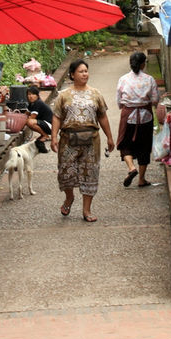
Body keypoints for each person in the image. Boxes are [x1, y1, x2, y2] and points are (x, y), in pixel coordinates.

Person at [50, 59, 114, 223]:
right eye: (81, 71)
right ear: (72, 74)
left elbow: (102, 116)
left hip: (91, 140)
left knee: (90, 173)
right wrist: (53, 137)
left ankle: (86, 210)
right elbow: (57, 116)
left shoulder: (95, 94)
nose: (85, 74)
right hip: (68, 140)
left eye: (86, 71)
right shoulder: (64, 95)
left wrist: (110, 137)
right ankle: (69, 198)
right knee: (66, 173)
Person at [116, 51, 159, 188]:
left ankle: (131, 168)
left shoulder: (123, 79)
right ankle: (141, 179)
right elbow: (155, 99)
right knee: (144, 147)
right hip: (145, 116)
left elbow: (119, 101)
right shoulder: (149, 79)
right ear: (143, 64)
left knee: (125, 143)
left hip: (128, 116)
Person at [25, 85, 53, 153]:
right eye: (29, 94)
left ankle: (45, 135)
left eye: (33, 94)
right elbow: (26, 114)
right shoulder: (31, 104)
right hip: (45, 124)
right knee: (28, 121)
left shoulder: (38, 103)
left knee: (30, 122)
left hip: (51, 126)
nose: (30, 96)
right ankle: (43, 135)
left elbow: (32, 117)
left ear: (37, 95)